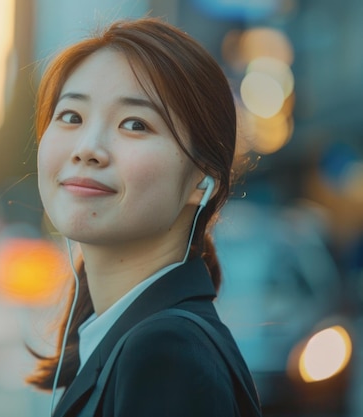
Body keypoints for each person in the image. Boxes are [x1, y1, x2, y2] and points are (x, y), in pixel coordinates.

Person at [26, 16, 261, 417]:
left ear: (201, 181)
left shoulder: (167, 352)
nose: (88, 148)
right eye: (71, 116)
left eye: (135, 124)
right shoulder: (125, 335)